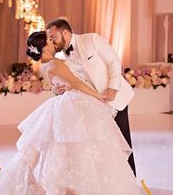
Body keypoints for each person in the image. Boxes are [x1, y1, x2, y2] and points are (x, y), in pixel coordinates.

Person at [0, 31, 142, 195]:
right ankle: (84, 189)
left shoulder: (46, 65)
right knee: (79, 146)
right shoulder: (56, 62)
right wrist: (97, 95)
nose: (53, 41)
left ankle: (78, 187)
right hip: (75, 102)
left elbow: (60, 85)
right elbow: (77, 84)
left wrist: (64, 87)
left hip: (68, 102)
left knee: (72, 148)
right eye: (50, 39)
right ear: (45, 46)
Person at [46, 19, 137, 177]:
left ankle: (130, 180)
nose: (51, 41)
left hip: (114, 99)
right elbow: (70, 82)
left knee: (122, 141)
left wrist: (113, 88)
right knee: (102, 145)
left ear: (65, 33)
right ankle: (110, 182)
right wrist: (56, 89)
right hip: (92, 105)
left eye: (53, 37)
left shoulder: (92, 39)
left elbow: (113, 61)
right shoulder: (60, 58)